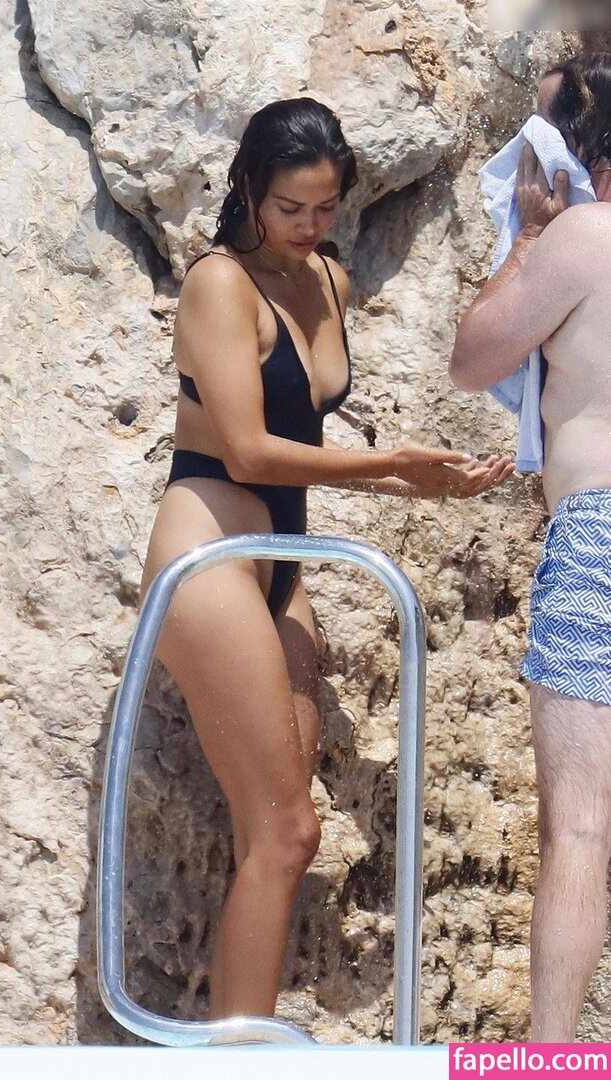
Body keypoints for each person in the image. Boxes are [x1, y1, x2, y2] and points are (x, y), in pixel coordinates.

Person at [141, 97, 513, 1022]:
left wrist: (427, 485)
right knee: (288, 831)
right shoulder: (219, 283)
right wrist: (390, 463)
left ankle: (243, 1046)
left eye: (324, 207)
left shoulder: (328, 281)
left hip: (284, 561)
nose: (308, 227)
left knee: (278, 838)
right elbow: (247, 450)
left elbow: (303, 445)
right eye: (288, 209)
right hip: (211, 551)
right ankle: (241, 1057)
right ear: (248, 190)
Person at [450, 54, 611, 1042]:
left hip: (600, 531)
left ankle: (552, 1063)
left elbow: (474, 360)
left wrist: (530, 235)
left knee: (581, 825)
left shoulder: (584, 237)